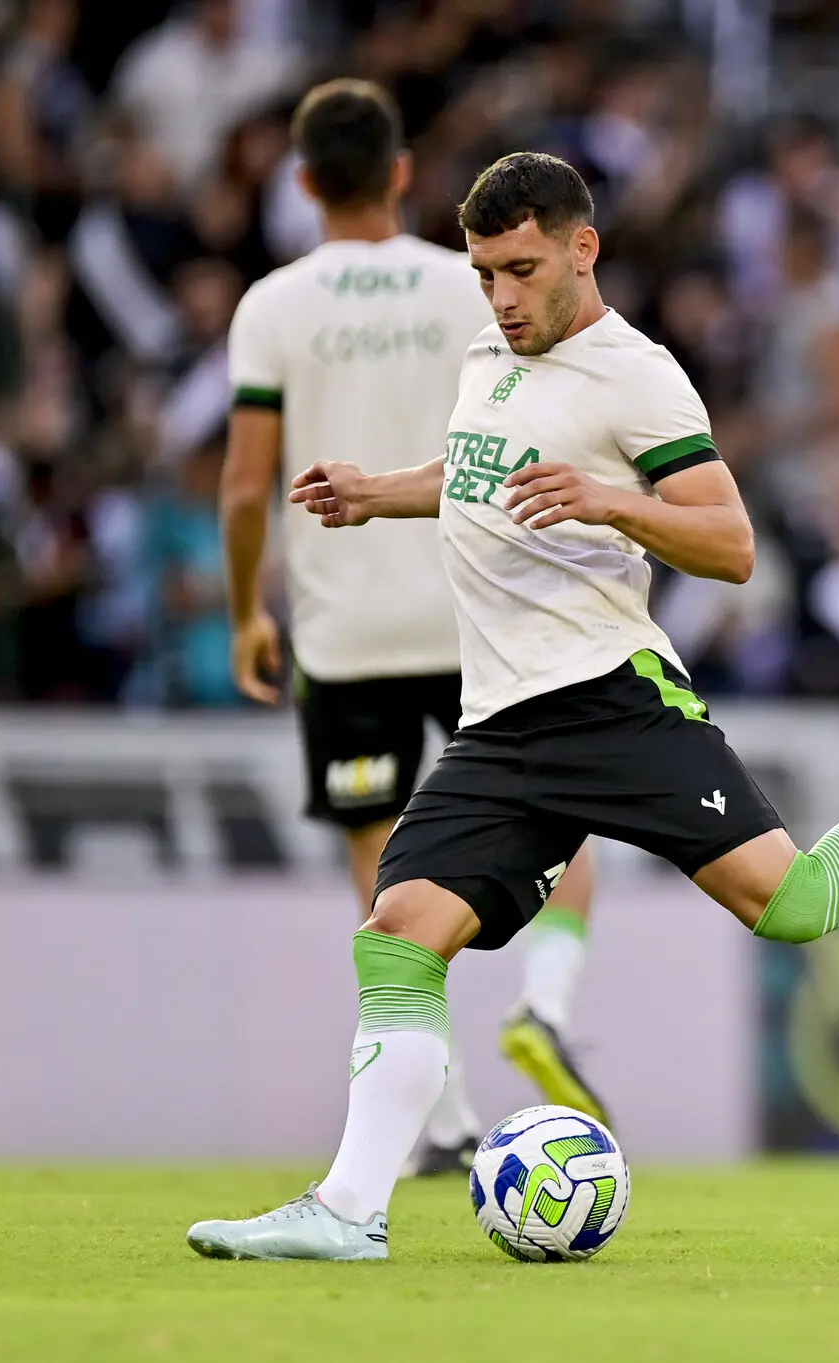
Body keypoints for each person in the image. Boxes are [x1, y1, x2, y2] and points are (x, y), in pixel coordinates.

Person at [186, 153, 839, 1262]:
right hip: (502, 725)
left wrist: (613, 504)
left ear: (584, 249)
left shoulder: (638, 376)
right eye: (482, 274)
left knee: (795, 901)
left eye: (520, 269)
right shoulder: (490, 351)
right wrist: (381, 492)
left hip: (612, 700)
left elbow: (732, 543)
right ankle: (347, 1209)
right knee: (395, 937)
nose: (500, 296)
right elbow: (483, 469)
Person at [217, 83, 610, 1171]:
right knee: (566, 805)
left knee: (386, 887)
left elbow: (247, 486)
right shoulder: (470, 285)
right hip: (475, 603)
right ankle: (547, 1001)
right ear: (401, 174)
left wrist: (247, 606)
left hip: (345, 634)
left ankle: (440, 1125)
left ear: (301, 184)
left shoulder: (273, 304)